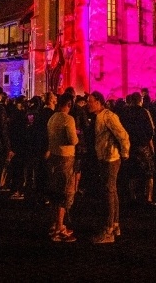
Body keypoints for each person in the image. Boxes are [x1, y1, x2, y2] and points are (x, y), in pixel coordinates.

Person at [86, 90, 130, 244]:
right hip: (106, 157)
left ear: (99, 101)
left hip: (110, 158)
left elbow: (122, 134)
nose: (88, 104)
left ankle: (108, 229)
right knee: (112, 191)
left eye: (90, 101)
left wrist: (125, 152)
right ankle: (115, 225)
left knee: (108, 193)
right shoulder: (99, 117)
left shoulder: (108, 116)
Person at [46, 93, 79, 242]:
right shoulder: (68, 119)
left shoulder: (52, 118)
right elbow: (73, 140)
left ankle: (55, 224)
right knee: (64, 192)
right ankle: (60, 228)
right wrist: (77, 136)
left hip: (53, 155)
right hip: (66, 157)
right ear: (69, 105)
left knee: (54, 191)